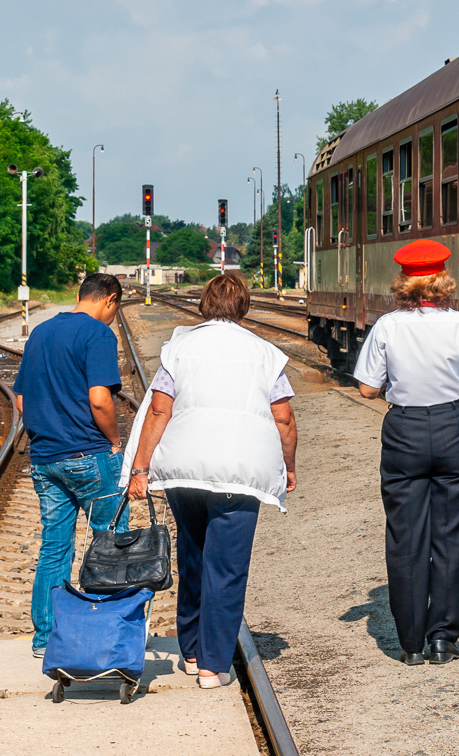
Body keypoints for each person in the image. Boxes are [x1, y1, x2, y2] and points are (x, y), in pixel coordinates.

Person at [123, 273, 297, 689]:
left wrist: (141, 468)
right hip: (242, 471)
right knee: (228, 567)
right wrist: (289, 466)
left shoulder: (179, 348)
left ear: (205, 304)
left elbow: (159, 411)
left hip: (186, 468)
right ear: (244, 306)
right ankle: (212, 666)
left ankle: (191, 650)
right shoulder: (265, 354)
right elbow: (284, 419)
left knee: (195, 557)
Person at [353, 239, 459, 667]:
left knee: (405, 537)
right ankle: (443, 638)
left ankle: (410, 644)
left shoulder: (387, 326)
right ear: (443, 279)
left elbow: (367, 387)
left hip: (403, 431)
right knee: (451, 534)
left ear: (403, 282)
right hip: (453, 429)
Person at [11, 272, 129, 660]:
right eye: (115, 308)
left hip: (46, 460)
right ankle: (107, 632)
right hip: (89, 456)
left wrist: (50, 431)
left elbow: (22, 401)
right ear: (109, 300)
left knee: (54, 548)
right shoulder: (97, 334)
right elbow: (100, 400)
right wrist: (113, 441)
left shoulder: (42, 332)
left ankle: (46, 638)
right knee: (111, 545)